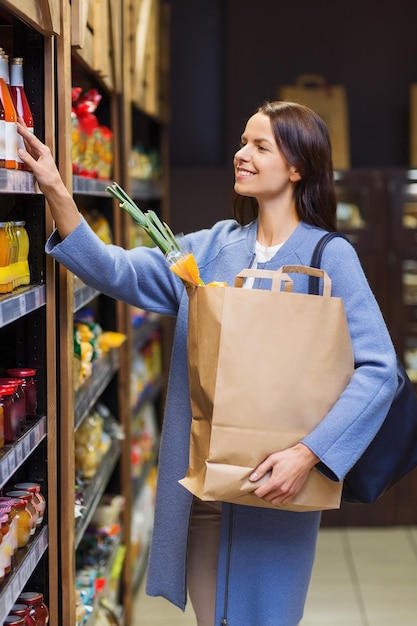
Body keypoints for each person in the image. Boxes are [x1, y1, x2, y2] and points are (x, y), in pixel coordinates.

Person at [17, 101, 397, 626]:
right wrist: (57, 189)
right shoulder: (215, 247)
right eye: (243, 142)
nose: (242, 154)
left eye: (261, 146)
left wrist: (308, 455)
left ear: (297, 168)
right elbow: (117, 270)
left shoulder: (328, 258)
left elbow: (379, 369)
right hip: (205, 492)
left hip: (279, 490)